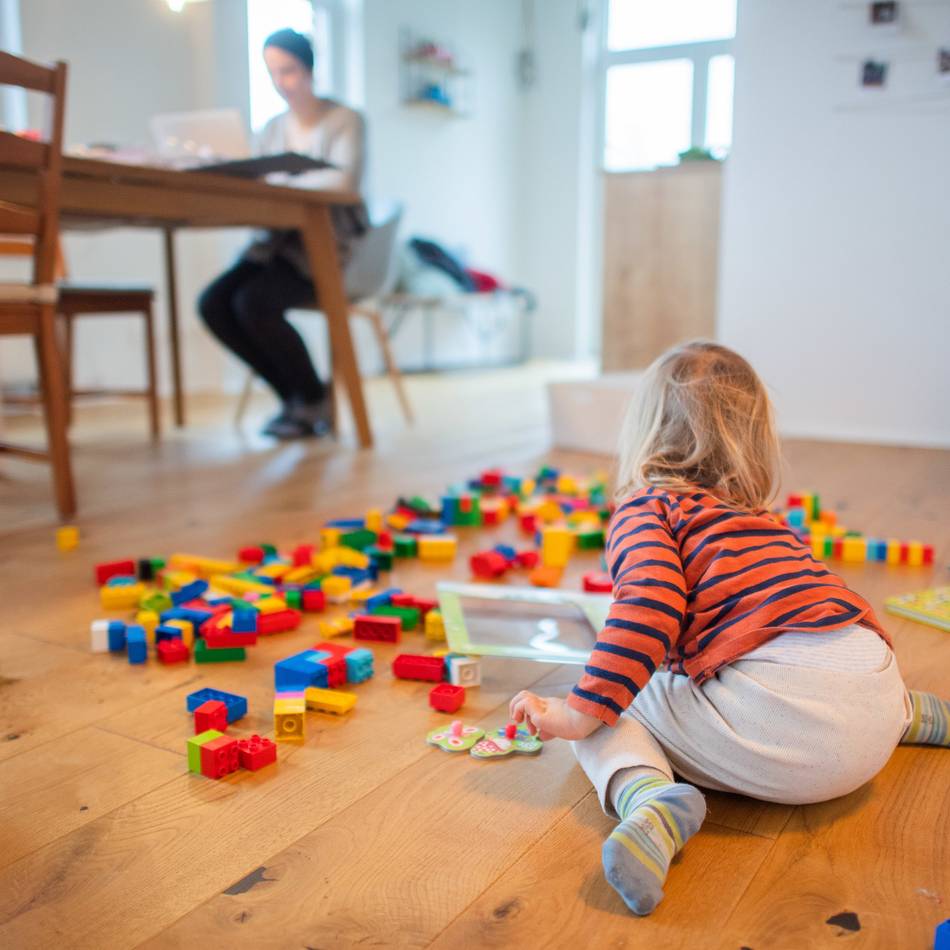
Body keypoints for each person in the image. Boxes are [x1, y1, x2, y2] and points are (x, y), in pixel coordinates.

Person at [509, 340, 949, 916]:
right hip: (876, 687)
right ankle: (912, 712)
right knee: (789, 647)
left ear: (641, 435)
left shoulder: (646, 509)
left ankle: (649, 801)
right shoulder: (765, 522)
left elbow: (651, 608)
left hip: (798, 736)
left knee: (608, 701)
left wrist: (576, 713)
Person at [198, 28, 367, 439]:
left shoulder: (344, 120)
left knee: (254, 302)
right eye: (273, 73)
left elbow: (345, 184)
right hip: (271, 245)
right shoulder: (272, 128)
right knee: (215, 303)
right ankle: (298, 398)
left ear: (308, 68)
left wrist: (285, 187)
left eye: (288, 70)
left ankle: (309, 398)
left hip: (322, 247)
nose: (281, 82)